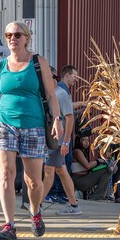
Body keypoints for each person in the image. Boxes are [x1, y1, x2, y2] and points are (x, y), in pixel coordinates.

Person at [0, 21, 62, 240]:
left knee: (33, 180)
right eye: (8, 35)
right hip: (4, 124)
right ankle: (9, 224)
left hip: (33, 125)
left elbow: (51, 95)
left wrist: (57, 119)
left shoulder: (38, 63)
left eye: (17, 35)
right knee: (6, 174)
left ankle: (35, 213)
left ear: (27, 38)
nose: (12, 39)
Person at [42, 67, 81, 216]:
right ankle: (74, 205)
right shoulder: (49, 95)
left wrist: (65, 143)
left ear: (53, 78)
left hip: (57, 142)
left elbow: (70, 118)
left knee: (49, 171)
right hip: (52, 141)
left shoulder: (61, 94)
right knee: (61, 171)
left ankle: (37, 207)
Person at [71, 135, 112, 201]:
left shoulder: (85, 151)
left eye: (87, 140)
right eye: (84, 140)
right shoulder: (77, 151)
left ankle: (100, 196)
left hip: (85, 178)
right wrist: (97, 161)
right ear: (78, 141)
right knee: (107, 171)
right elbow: (87, 166)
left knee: (108, 170)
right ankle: (95, 196)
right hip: (78, 180)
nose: (86, 142)